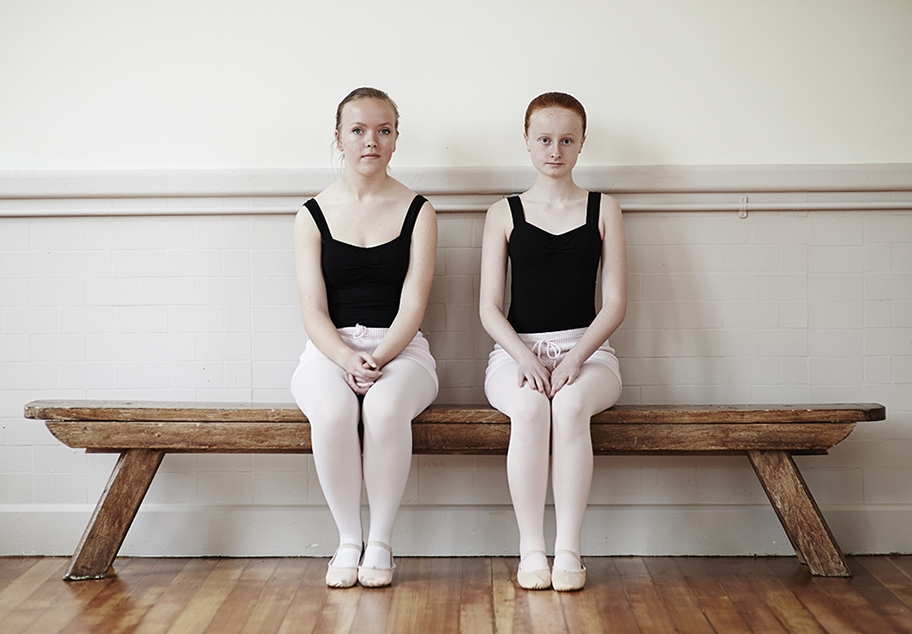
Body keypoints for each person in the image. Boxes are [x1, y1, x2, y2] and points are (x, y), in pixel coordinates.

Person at [290, 87, 438, 588]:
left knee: (382, 409)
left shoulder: (420, 211)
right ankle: (347, 540)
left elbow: (413, 307)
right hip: (329, 351)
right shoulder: (311, 213)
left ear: (395, 139)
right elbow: (312, 311)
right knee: (332, 413)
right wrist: (346, 358)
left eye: (382, 130)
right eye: (357, 130)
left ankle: (380, 542)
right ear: (338, 139)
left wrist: (377, 359)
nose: (370, 140)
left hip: (402, 352)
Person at [479, 92, 626, 591]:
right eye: (544, 139)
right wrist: (525, 357)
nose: (555, 150)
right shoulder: (503, 212)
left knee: (566, 409)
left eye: (567, 140)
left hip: (590, 355)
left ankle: (568, 549)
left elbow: (615, 305)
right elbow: (488, 308)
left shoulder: (605, 209)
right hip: (515, 353)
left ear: (582, 144)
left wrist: (574, 360)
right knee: (530, 410)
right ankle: (531, 550)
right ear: (527, 142)